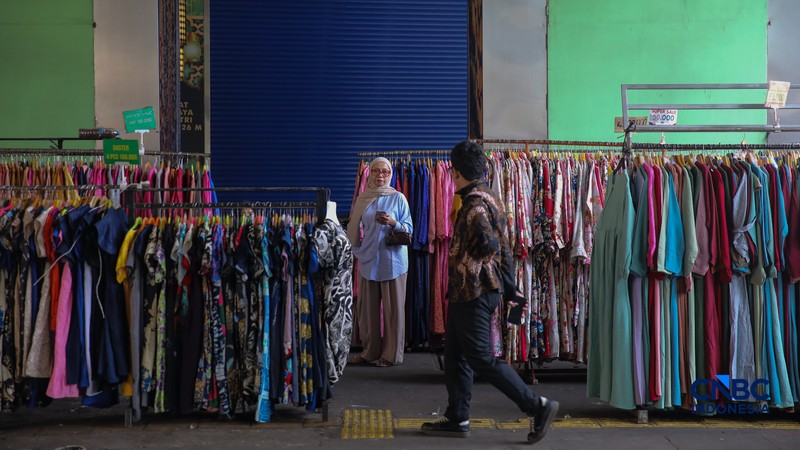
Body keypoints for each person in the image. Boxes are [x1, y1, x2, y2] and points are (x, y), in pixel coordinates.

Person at [420, 140, 559, 444]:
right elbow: (505, 248)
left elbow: (490, 246)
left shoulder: (474, 205)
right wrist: (509, 287)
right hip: (469, 292)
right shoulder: (490, 195)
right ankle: (458, 417)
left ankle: (537, 406)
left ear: (456, 172)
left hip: (474, 291)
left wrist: (473, 261)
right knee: (455, 356)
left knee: (481, 357)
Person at [346, 157, 413, 367]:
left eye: (385, 171)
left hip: (393, 261)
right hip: (369, 259)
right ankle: (369, 351)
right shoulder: (363, 198)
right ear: (370, 173)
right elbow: (354, 227)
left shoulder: (398, 198)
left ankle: (391, 355)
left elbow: (409, 229)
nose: (380, 175)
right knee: (368, 311)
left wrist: (393, 222)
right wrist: (356, 250)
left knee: (393, 311)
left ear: (390, 174)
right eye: (376, 171)